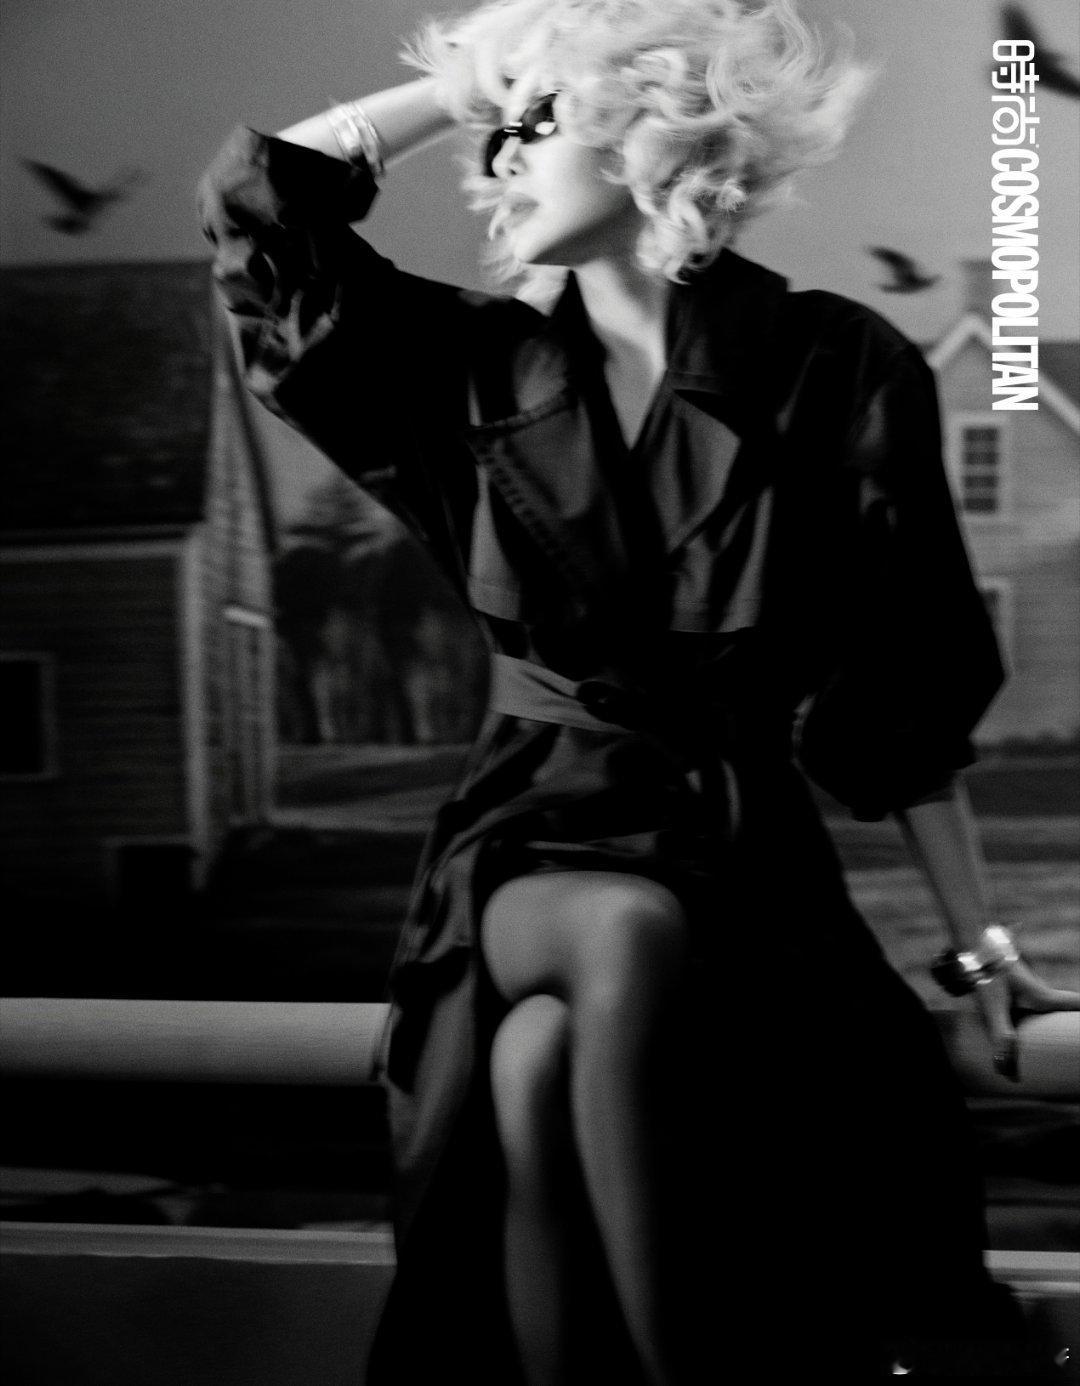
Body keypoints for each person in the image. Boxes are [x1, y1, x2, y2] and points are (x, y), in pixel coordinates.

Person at [198, 1, 1078, 1379]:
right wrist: (476, 81)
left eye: (537, 125)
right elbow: (261, 219)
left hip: (743, 851)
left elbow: (902, 698)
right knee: (620, 935)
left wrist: (981, 954)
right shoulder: (462, 367)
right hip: (533, 836)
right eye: (493, 136)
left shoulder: (838, 364)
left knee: (538, 1067)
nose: (499, 160)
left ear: (649, 132)